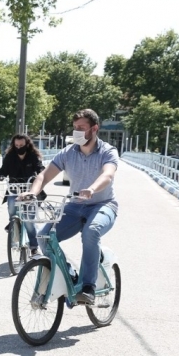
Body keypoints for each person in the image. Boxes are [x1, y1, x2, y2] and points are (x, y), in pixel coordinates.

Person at [19, 109, 119, 305]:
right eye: (74, 128)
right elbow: (43, 176)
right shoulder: (68, 153)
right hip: (74, 206)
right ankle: (68, 273)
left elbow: (107, 175)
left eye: (81, 128)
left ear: (94, 128)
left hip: (103, 204)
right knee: (43, 236)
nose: (77, 132)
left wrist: (91, 188)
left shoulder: (107, 151)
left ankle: (88, 287)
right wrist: (33, 192)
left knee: (91, 231)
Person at [0, 134, 45, 255]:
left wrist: (41, 174)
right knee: (11, 206)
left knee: (29, 221)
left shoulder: (33, 156)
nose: (19, 147)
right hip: (14, 189)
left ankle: (33, 248)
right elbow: (4, 170)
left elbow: (40, 168)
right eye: (16, 145)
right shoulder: (10, 156)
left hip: (30, 190)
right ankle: (13, 224)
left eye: (21, 145)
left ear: (27, 144)